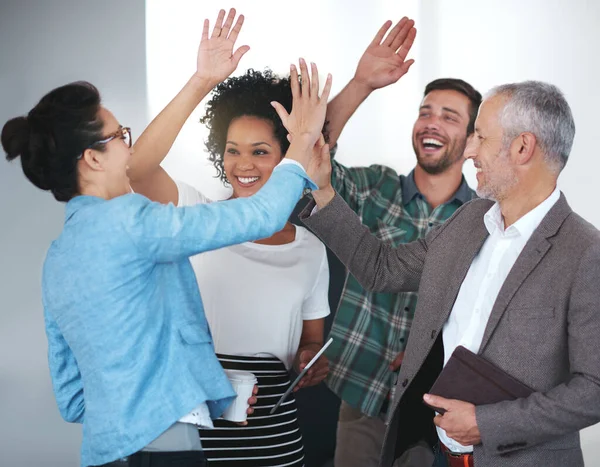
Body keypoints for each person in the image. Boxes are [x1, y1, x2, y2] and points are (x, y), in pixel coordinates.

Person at [1, 9, 332, 467]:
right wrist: (303, 142)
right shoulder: (134, 222)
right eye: (119, 136)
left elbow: (73, 396)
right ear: (92, 160)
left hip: (106, 450)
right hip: (166, 451)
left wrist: (205, 392)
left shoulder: (57, 258)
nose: (129, 146)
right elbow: (261, 215)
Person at [299, 80, 600, 467]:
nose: (469, 150)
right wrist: (323, 191)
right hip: (437, 451)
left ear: (523, 147)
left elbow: (594, 388)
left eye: (481, 137)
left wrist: (486, 423)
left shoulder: (585, 252)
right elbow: (382, 268)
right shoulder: (470, 220)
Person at [129, 56, 331, 465]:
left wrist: (311, 358)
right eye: (233, 150)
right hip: (195, 431)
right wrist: (201, 80)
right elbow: (137, 168)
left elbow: (310, 340)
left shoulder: (311, 250)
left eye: (260, 151)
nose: (243, 165)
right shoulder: (197, 217)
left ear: (288, 158)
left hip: (274, 433)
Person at [305, 17, 480, 466]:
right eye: (426, 111)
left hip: (435, 411)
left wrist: (431, 351)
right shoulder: (373, 189)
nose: (432, 123)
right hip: (360, 392)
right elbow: (311, 158)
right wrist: (362, 83)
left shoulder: (483, 221)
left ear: (473, 138)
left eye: (449, 116)